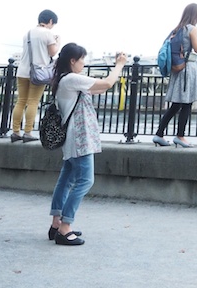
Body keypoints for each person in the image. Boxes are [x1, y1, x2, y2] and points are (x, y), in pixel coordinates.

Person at [48, 43, 127, 245]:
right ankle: (66, 226)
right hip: (80, 139)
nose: (84, 63)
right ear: (72, 61)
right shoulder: (72, 79)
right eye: (82, 59)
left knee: (66, 179)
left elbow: (99, 89)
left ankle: (57, 223)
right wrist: (119, 65)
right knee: (86, 180)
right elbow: (107, 84)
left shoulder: (64, 80)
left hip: (73, 139)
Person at [153, 3, 197, 148]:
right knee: (187, 103)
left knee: (176, 105)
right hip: (188, 69)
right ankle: (180, 136)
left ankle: (159, 134)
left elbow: (186, 47)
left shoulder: (177, 29)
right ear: (195, 15)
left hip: (177, 68)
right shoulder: (192, 28)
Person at [12, 9, 60, 143]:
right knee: (33, 102)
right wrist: (57, 42)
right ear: (50, 21)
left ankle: (15, 132)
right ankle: (27, 132)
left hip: (22, 71)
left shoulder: (27, 33)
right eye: (53, 23)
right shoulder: (48, 33)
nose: (52, 26)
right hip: (38, 72)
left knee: (21, 101)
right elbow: (52, 53)